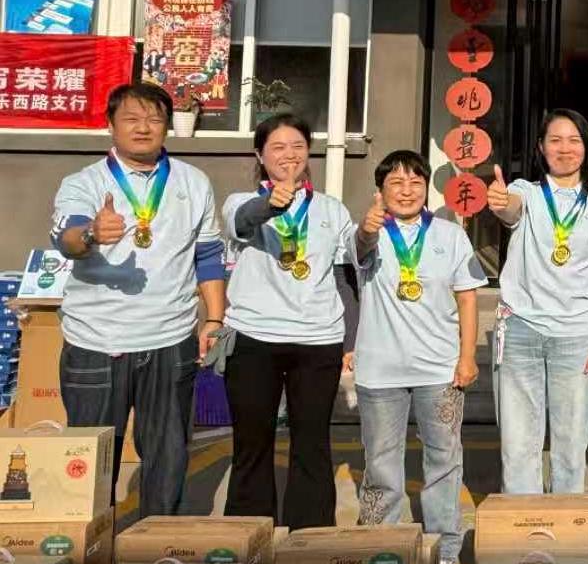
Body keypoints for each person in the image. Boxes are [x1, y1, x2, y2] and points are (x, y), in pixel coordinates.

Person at [49, 83, 225, 517]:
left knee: (168, 455)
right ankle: (90, 544)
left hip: (170, 339)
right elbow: (66, 238)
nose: (143, 128)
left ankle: (155, 544)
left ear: (167, 126)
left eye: (154, 119)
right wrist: (91, 233)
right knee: (90, 459)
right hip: (96, 341)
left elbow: (207, 255)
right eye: (131, 118)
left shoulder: (193, 182)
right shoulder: (85, 182)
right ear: (110, 125)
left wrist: (214, 319)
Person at [351, 150, 486, 564]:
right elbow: (359, 250)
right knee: (381, 462)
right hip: (379, 371)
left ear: (427, 188)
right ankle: (381, 544)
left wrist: (467, 357)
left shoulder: (450, 235)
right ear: (380, 191)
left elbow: (467, 297)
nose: (406, 191)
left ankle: (445, 549)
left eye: (415, 182)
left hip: (439, 370)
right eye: (396, 183)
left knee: (444, 460)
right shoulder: (369, 232)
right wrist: (367, 230)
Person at [221, 113, 359, 529]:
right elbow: (244, 222)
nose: (289, 155)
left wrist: (350, 341)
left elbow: (345, 276)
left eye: (298, 146)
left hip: (318, 341)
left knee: (312, 444)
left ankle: (308, 538)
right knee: (252, 443)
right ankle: (250, 538)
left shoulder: (331, 209)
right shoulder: (239, 202)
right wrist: (270, 203)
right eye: (278, 147)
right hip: (253, 338)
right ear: (259, 155)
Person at [487, 110, 588, 496]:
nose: (565, 149)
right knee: (518, 446)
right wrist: (500, 201)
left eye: (573, 140)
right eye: (555, 140)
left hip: (577, 335)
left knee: (570, 447)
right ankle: (522, 523)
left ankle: (567, 528)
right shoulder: (527, 191)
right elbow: (510, 207)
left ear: (586, 147)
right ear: (541, 148)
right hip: (520, 329)